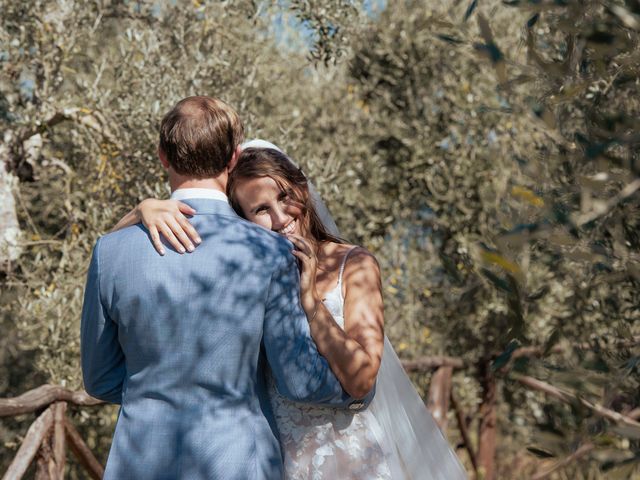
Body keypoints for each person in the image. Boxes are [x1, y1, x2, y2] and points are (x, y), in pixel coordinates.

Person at [116, 140, 468, 479]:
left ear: (302, 188)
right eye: (260, 210)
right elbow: (110, 253)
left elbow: (361, 380)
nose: (281, 216)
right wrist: (141, 210)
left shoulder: (354, 265)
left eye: (284, 196)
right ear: (242, 220)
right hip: (272, 459)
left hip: (350, 457)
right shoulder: (247, 272)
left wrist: (311, 303)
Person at [80, 96, 370, 480]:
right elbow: (298, 380)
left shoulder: (110, 251)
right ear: (233, 159)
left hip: (139, 461)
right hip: (238, 462)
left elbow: (99, 379)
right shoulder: (271, 251)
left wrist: (157, 397)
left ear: (163, 157)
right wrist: (354, 394)